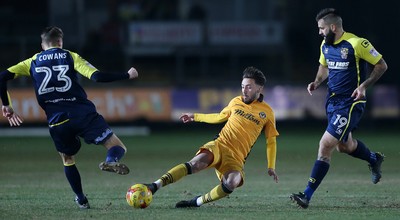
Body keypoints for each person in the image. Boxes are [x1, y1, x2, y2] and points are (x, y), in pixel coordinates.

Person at [0, 26, 139, 209]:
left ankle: (81, 199)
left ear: (43, 45)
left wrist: (6, 104)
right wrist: (127, 75)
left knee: (68, 159)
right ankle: (111, 161)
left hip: (57, 121)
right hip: (82, 113)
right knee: (117, 147)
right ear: (60, 42)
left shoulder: (32, 61)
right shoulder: (70, 56)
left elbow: (2, 77)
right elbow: (96, 77)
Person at [290, 8, 388, 209]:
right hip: (332, 102)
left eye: (322, 28)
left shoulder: (357, 43)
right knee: (345, 146)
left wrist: (363, 86)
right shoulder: (325, 45)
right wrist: (317, 82)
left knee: (325, 145)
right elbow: (324, 67)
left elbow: (381, 65)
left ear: (333, 27)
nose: (319, 32)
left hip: (351, 103)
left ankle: (306, 195)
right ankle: (373, 158)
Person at [142, 66, 279, 208]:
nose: (244, 90)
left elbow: (271, 141)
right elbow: (219, 117)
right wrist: (195, 116)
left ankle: (197, 202)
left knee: (232, 183)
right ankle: (155, 186)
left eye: (249, 87)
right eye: (243, 86)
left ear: (259, 89)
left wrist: (271, 166)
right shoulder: (235, 102)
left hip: (237, 157)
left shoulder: (267, 113)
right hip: (220, 145)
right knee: (195, 164)